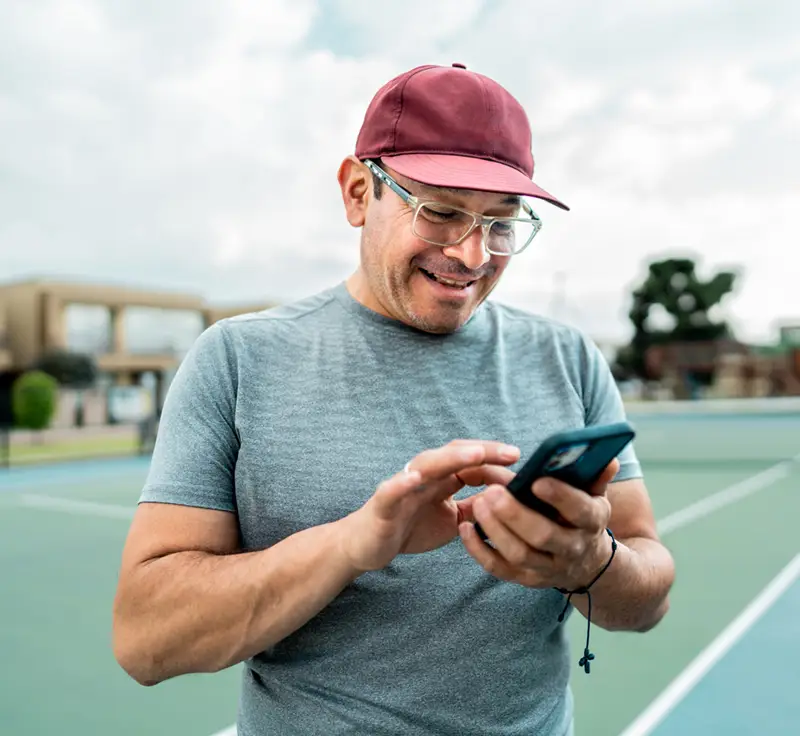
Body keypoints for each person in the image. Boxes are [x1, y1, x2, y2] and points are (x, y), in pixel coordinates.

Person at [112, 63, 675, 735]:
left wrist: (592, 563)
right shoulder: (237, 360)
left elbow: (647, 593)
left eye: (501, 224)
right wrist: (354, 543)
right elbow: (147, 641)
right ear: (357, 192)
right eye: (439, 212)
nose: (472, 254)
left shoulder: (569, 358)